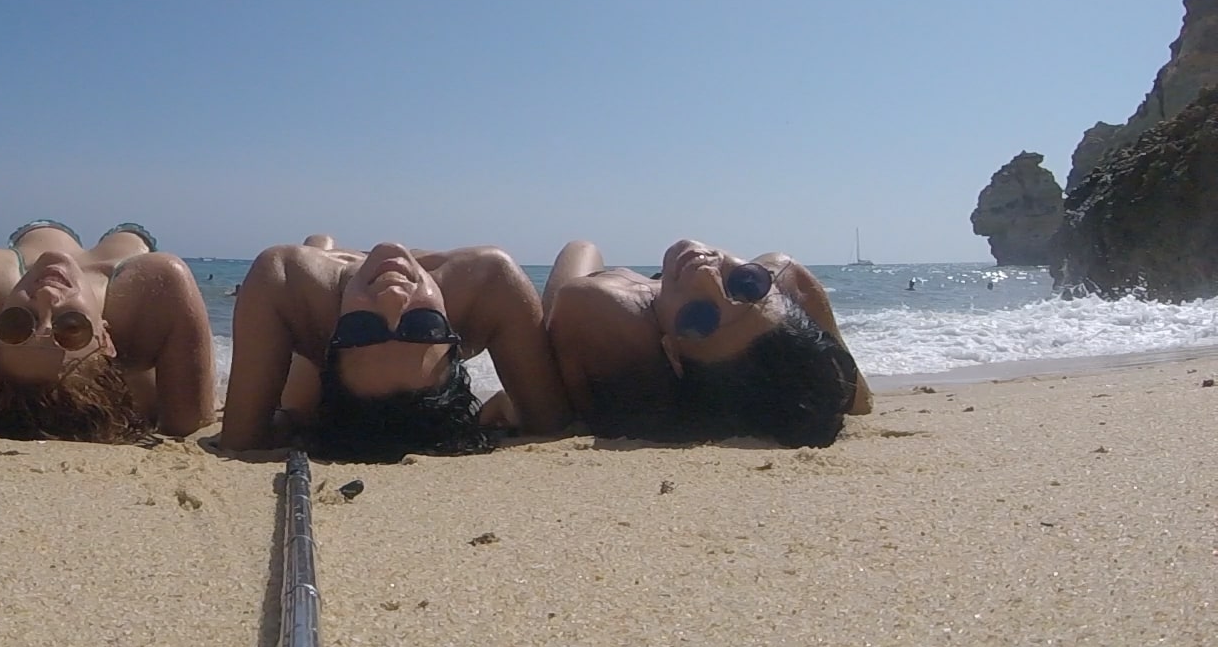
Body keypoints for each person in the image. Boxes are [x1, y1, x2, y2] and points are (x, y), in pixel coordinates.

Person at [219, 237, 571, 460]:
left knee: (300, 402)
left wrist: (293, 421)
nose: (393, 297)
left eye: (362, 328)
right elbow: (549, 421)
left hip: (321, 336)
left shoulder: (286, 277)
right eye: (424, 326)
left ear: (332, 340)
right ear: (455, 339)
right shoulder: (488, 279)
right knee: (578, 250)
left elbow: (242, 439)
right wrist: (506, 405)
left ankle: (322, 245)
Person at [541, 238, 871, 448]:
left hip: (623, 314)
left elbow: (565, 410)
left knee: (581, 248)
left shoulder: (601, 309)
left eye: (699, 317)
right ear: (777, 289)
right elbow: (857, 398)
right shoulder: (786, 275)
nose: (707, 276)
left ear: (671, 353)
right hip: (670, 301)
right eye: (746, 284)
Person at [0, 220, 215, 442]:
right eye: (71, 326)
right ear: (105, 338)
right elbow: (190, 420)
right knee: (129, 236)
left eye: (16, 323)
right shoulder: (155, 283)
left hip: (38, 237)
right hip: (127, 270)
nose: (47, 296)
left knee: (44, 233)